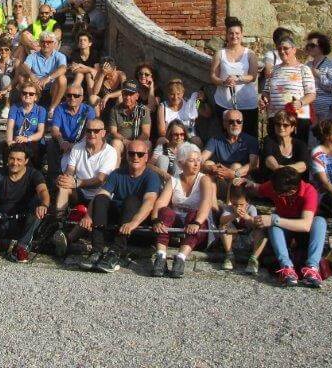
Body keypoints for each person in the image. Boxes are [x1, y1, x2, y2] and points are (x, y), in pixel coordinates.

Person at [81, 139, 160, 273]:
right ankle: (96, 251)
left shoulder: (151, 176)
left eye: (140, 154)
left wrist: (133, 223)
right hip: (119, 217)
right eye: (132, 153)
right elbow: (101, 194)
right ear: (126, 155)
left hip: (137, 221)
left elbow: (149, 202)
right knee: (101, 198)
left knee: (132, 200)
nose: (135, 157)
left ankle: (115, 253)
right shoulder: (117, 173)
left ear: (146, 157)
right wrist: (88, 215)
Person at [49, 119, 119, 257]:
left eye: (96, 131)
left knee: (97, 199)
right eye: (88, 130)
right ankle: (59, 225)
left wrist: (77, 183)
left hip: (101, 194)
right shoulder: (77, 148)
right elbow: (70, 169)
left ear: (103, 133)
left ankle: (68, 239)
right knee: (63, 186)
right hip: (80, 191)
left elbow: (100, 179)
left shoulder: (110, 152)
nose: (92, 133)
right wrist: (66, 178)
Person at [249, 166, 327, 288]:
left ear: (290, 192)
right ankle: (286, 267)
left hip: (305, 232)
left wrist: (274, 219)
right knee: (274, 226)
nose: (273, 191)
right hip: (285, 230)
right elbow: (257, 189)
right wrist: (241, 181)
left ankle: (312, 268)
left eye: (277, 193)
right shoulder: (275, 185)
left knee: (320, 222)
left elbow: (306, 225)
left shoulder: (309, 191)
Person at [151, 142, 215, 278]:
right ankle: (160, 257)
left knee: (194, 214)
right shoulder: (173, 180)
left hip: (197, 225)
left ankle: (180, 258)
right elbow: (161, 202)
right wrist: (155, 219)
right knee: (165, 212)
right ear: (181, 163)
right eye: (191, 161)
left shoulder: (204, 180)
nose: (196, 164)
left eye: (198, 160)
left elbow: (206, 204)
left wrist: (197, 222)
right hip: (178, 223)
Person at [210, 17, 260, 138]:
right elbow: (212, 76)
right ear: (227, 35)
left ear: (242, 35)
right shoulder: (220, 54)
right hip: (224, 103)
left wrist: (238, 78)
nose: (234, 36)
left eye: (237, 33)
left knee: (248, 137)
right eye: (231, 33)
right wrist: (223, 81)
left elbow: (253, 76)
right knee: (225, 137)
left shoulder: (250, 54)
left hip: (247, 103)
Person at [262, 34, 316, 142]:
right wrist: (264, 100)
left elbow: (311, 94)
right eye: (279, 49)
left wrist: (300, 103)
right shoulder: (273, 70)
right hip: (276, 118)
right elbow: (266, 92)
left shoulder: (303, 69)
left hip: (297, 118)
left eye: (285, 48)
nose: (282, 51)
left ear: (294, 50)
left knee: (297, 150)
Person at [202, 109, 260, 193]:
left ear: (242, 123)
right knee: (208, 163)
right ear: (224, 124)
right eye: (231, 122)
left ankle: (231, 202)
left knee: (236, 166)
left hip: (240, 180)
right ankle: (210, 199)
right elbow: (201, 158)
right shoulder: (215, 139)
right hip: (221, 178)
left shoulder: (251, 140)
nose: (235, 124)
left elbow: (254, 164)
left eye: (238, 121)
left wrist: (234, 173)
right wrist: (210, 168)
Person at [48, 84, 98, 175]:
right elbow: (54, 129)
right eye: (69, 95)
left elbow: (91, 131)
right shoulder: (59, 108)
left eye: (76, 95)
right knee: (51, 144)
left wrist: (75, 145)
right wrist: (61, 141)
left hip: (82, 142)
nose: (72, 98)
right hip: (63, 141)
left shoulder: (88, 110)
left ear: (82, 97)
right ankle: (53, 178)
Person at [218, 185, 267, 274]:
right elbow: (222, 220)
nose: (238, 207)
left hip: (249, 240)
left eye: (241, 204)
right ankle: (229, 255)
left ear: (247, 202)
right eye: (235, 205)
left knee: (262, 230)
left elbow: (256, 224)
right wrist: (233, 215)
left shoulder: (251, 208)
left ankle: (253, 259)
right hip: (234, 240)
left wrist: (247, 217)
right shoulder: (228, 209)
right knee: (224, 226)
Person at [17, 31, 68, 113]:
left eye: (49, 42)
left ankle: (53, 108)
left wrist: (48, 78)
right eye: (43, 42)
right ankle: (28, 106)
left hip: (52, 87)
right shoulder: (33, 56)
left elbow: (63, 68)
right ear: (40, 43)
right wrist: (32, 75)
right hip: (36, 85)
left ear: (54, 44)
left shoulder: (59, 56)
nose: (46, 44)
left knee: (62, 78)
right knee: (22, 76)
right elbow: (24, 66)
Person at [105, 80, 151, 157]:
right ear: (122, 94)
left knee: (148, 143)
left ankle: (143, 168)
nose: (127, 97)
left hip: (138, 141)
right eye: (125, 94)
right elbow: (113, 131)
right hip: (121, 141)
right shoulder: (115, 109)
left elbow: (146, 133)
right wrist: (125, 141)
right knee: (115, 143)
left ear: (137, 96)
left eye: (131, 94)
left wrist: (134, 143)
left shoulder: (143, 110)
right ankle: (115, 168)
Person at [6, 81, 47, 165]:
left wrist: (27, 138)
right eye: (24, 93)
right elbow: (10, 127)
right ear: (21, 95)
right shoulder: (15, 108)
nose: (27, 95)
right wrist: (9, 141)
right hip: (17, 141)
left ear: (35, 97)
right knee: (8, 148)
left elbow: (40, 132)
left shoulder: (41, 110)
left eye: (31, 94)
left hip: (33, 142)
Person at [305, 32, 332, 122]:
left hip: (326, 109)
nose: (309, 48)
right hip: (310, 109)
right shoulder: (307, 65)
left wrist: (319, 75)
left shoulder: (331, 64)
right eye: (308, 45)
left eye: (312, 45)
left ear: (322, 47)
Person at [261, 113, 310, 178]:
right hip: (274, 181)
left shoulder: (300, 144)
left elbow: (303, 166)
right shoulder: (268, 140)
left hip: (295, 183)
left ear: (292, 128)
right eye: (278, 124)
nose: (281, 127)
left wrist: (282, 169)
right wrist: (286, 169)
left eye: (285, 125)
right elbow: (269, 161)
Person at [155, 79, 201, 143]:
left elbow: (197, 109)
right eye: (172, 94)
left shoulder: (188, 103)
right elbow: (161, 132)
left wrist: (200, 100)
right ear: (167, 94)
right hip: (171, 139)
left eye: (178, 94)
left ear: (182, 93)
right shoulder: (163, 107)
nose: (175, 97)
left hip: (189, 138)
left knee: (197, 140)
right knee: (161, 140)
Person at [0, 40, 18, 118]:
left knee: (5, 78)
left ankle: (7, 106)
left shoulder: (15, 62)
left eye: (6, 49)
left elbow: (16, 79)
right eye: (1, 49)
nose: (3, 51)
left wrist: (6, 90)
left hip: (12, 91)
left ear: (10, 50)